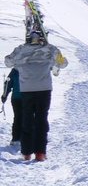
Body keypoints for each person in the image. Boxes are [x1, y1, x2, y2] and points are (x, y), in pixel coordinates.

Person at [4, 31, 68, 161]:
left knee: (27, 119)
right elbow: (63, 64)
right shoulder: (49, 49)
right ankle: (40, 153)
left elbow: (8, 62)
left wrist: (20, 61)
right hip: (44, 89)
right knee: (41, 119)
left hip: (26, 89)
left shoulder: (21, 49)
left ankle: (26, 153)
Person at [1, 68, 22, 146]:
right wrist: (5, 95)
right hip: (19, 98)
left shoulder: (15, 70)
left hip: (23, 98)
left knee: (19, 117)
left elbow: (8, 83)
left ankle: (20, 138)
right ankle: (16, 138)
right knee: (19, 117)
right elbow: (8, 84)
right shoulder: (15, 70)